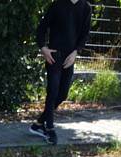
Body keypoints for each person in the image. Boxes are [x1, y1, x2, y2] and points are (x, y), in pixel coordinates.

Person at [30, 0, 92, 145]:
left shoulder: (86, 7)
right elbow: (41, 29)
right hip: (54, 56)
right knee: (52, 92)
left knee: (62, 94)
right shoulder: (57, 4)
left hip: (69, 58)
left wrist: (76, 52)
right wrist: (43, 49)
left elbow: (85, 34)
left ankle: (38, 124)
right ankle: (49, 129)